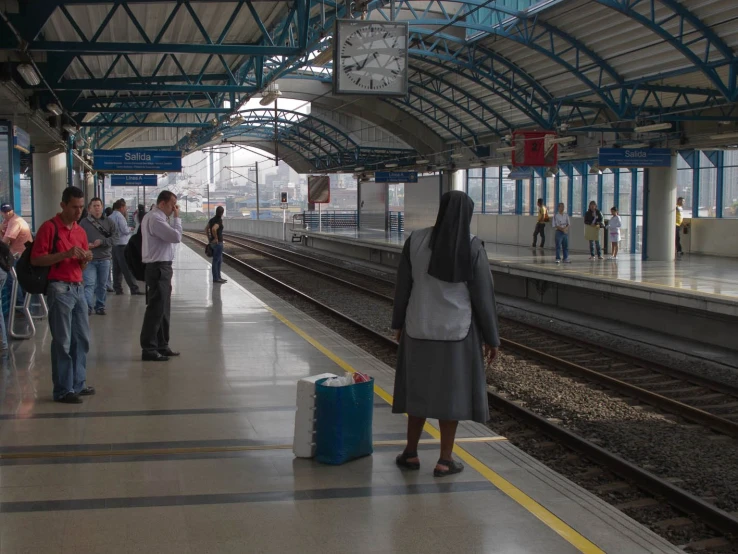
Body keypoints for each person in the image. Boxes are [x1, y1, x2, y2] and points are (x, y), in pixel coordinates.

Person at [391, 191, 499, 477]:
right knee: (450, 397)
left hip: (418, 328)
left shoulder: (415, 241)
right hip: (456, 333)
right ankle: (445, 459)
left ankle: (411, 453)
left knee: (418, 391)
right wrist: (492, 338)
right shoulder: (473, 246)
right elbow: (483, 297)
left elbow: (403, 287)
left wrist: (398, 323)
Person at [31, 186, 94, 404]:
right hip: (59, 288)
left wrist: (85, 259)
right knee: (63, 341)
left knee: (82, 339)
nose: (79, 212)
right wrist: (65, 254)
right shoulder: (49, 228)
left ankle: (78, 383)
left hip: (78, 287)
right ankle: (63, 389)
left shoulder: (80, 231)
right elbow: (36, 259)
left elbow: (82, 267)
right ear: (63, 205)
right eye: (74, 207)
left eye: (81, 207)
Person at [139, 191, 182, 362]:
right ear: (162, 203)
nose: (174, 208)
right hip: (158, 268)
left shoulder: (157, 217)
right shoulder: (155, 219)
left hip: (162, 267)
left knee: (163, 309)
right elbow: (176, 236)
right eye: (172, 204)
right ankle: (149, 348)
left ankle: (162, 345)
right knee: (156, 309)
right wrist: (177, 219)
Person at [80, 198, 118, 316]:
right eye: (94, 206)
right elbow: (77, 239)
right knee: (89, 284)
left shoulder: (109, 222)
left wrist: (102, 242)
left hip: (104, 259)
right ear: (89, 208)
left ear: (102, 207)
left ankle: (100, 306)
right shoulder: (83, 223)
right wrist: (87, 245)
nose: (97, 208)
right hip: (89, 259)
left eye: (99, 205)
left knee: (102, 285)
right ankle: (87, 307)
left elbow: (115, 238)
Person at [1, 203, 32, 309]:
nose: (7, 213)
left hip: (19, 255)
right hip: (21, 254)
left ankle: (20, 306)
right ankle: (22, 305)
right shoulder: (8, 221)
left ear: (12, 210)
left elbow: (4, 242)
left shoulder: (14, 222)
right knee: (18, 278)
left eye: (9, 211)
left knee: (12, 279)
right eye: (5, 212)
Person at [109, 199, 143, 295]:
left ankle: (117, 288)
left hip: (114, 245)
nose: (126, 209)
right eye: (125, 207)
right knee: (126, 268)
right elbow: (124, 230)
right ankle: (134, 288)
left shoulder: (110, 216)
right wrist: (130, 229)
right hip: (122, 245)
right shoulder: (120, 217)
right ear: (122, 207)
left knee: (116, 268)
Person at [207, 206, 227, 284]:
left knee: (219, 260)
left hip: (213, 243)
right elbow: (214, 229)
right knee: (216, 261)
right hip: (218, 243)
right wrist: (216, 238)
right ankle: (216, 278)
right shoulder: (219, 220)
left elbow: (206, 229)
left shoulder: (212, 220)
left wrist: (209, 238)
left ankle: (218, 277)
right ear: (222, 212)